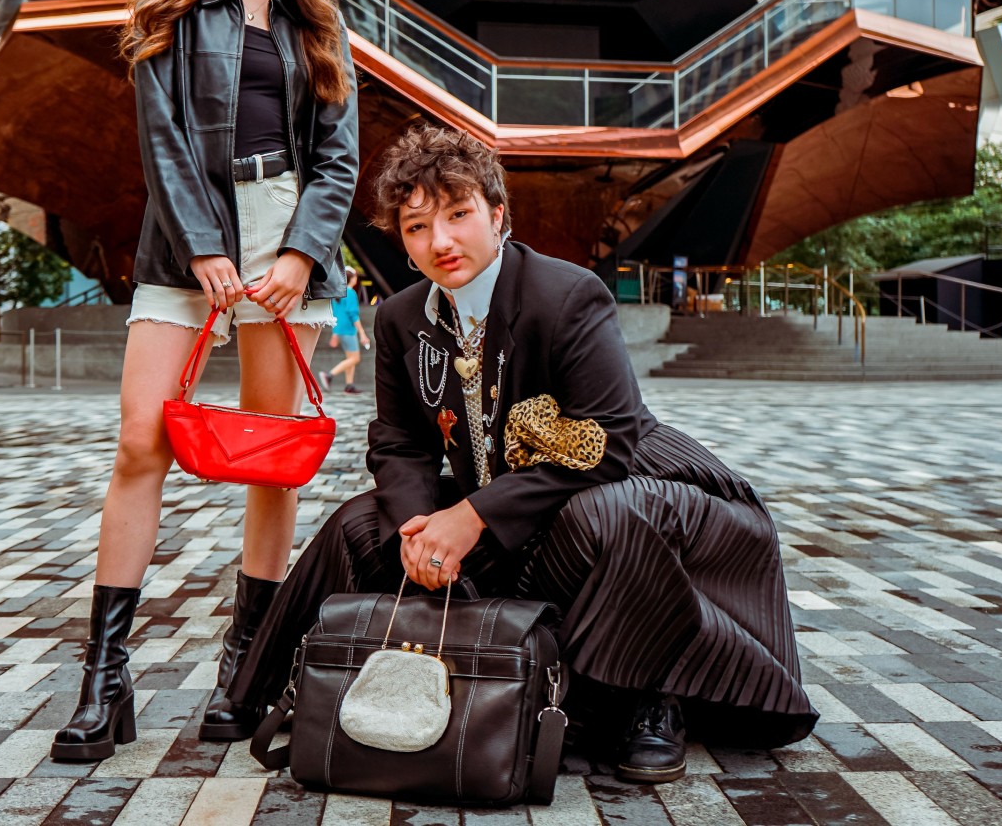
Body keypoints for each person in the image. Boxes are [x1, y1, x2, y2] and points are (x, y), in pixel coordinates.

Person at [230, 126, 816, 781]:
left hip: (622, 479)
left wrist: (473, 517)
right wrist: (420, 530)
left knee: (610, 515)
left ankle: (643, 697)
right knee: (363, 524)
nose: (440, 241)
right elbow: (400, 446)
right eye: (417, 226)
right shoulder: (398, 319)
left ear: (497, 214)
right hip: (510, 495)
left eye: (458, 215)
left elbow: (608, 442)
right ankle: (283, 684)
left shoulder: (566, 295)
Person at [50, 0, 358, 761]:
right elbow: (163, 146)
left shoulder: (318, 15)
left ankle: (247, 668)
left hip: (285, 234)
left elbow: (339, 159)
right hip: (186, 243)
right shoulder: (169, 3)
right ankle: (105, 680)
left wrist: (301, 256)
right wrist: (206, 252)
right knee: (141, 440)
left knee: (268, 460)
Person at [319, 267, 371, 393]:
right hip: (348, 330)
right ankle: (329, 375)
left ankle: (349, 385)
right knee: (355, 358)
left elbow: (336, 314)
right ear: (352, 278)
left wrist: (335, 333)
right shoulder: (350, 292)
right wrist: (362, 334)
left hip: (340, 329)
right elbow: (353, 315)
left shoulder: (337, 293)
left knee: (350, 357)